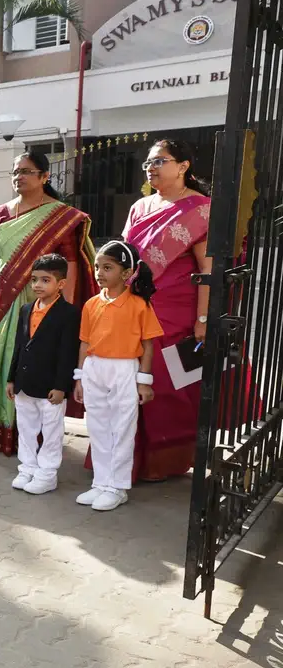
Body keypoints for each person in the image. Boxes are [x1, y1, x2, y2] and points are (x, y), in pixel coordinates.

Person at [0, 150, 95, 453]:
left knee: (36, 364)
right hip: (5, 301)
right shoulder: (1, 213)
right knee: (2, 363)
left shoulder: (60, 215)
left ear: (44, 177)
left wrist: (66, 307)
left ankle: (33, 439)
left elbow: (71, 263)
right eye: (15, 171)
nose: (19, 177)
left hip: (40, 304)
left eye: (26, 171)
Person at [120, 139, 212, 482]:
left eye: (160, 161)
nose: (151, 168)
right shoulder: (140, 207)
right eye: (148, 162)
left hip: (174, 312)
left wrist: (203, 319)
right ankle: (124, 457)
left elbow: (208, 271)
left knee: (163, 385)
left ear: (183, 166)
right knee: (128, 378)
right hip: (133, 306)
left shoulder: (201, 209)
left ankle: (164, 462)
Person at [73, 241, 163, 512]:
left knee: (122, 428)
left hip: (124, 369)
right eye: (98, 267)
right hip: (95, 369)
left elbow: (148, 345)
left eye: (107, 267)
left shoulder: (139, 305)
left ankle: (118, 486)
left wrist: (143, 381)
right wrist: (79, 377)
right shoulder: (91, 304)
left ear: (126, 273)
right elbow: (84, 343)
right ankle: (101, 482)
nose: (99, 272)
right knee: (98, 426)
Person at [5, 254, 81, 495]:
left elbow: (67, 353)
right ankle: (27, 467)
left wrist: (61, 386)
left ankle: (47, 473)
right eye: (34, 280)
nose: (37, 285)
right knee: (26, 428)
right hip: (24, 384)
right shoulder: (26, 309)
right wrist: (11, 378)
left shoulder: (69, 314)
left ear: (60, 284)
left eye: (45, 280)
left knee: (51, 431)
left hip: (50, 388)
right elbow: (18, 346)